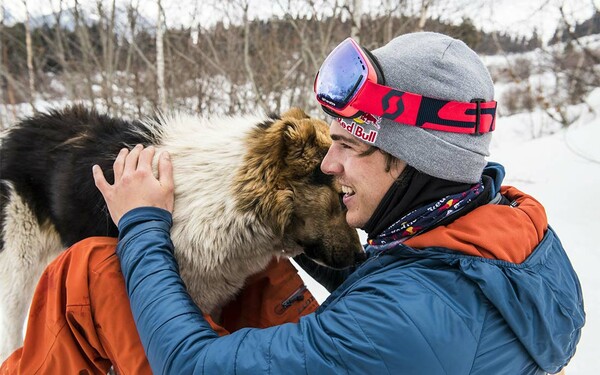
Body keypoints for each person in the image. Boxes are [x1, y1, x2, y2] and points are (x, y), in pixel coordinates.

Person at [1, 32, 584, 374]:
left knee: (93, 272)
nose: (330, 165)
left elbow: (194, 366)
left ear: (414, 160)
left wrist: (144, 224)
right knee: (263, 277)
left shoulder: (397, 319)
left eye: (352, 147)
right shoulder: (514, 226)